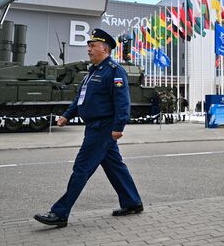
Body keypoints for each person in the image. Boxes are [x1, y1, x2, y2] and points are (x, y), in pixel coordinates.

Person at [34, 29, 143, 227]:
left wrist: (119, 126)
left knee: (81, 168)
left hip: (103, 127)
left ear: (105, 48)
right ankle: (132, 202)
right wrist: (67, 115)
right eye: (89, 45)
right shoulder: (91, 72)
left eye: (93, 45)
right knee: (115, 167)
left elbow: (122, 101)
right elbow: (81, 99)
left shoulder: (114, 71)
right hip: (94, 126)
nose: (89, 49)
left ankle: (60, 213)